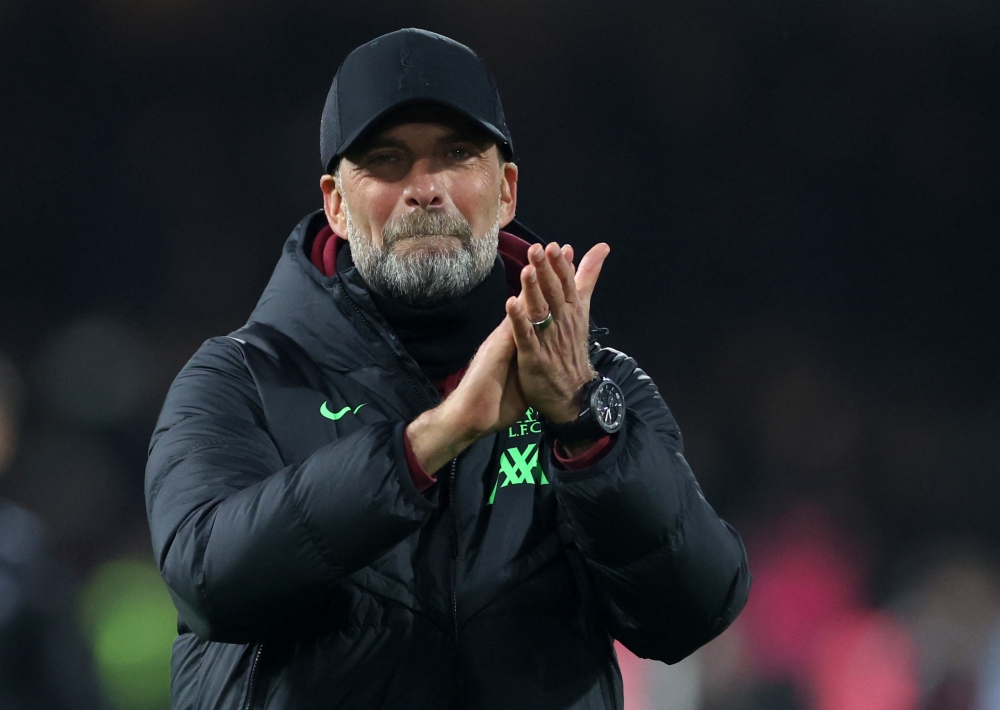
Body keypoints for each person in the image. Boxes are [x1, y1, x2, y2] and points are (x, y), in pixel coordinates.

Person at [146, 28, 751, 709]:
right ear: (336, 204)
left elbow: (695, 611)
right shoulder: (241, 382)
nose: (425, 188)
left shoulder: (594, 390)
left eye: (457, 155)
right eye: (387, 161)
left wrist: (588, 434)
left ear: (507, 190)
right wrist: (435, 438)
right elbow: (209, 584)